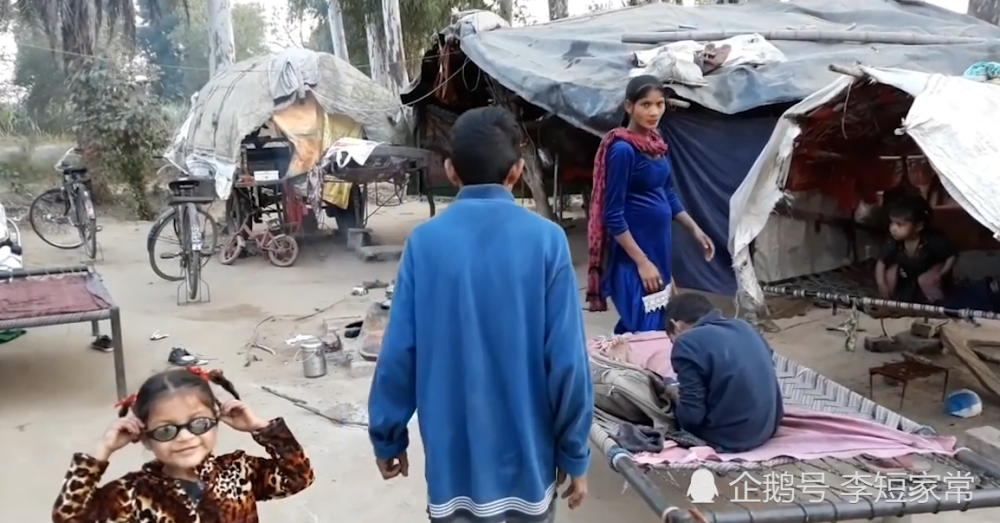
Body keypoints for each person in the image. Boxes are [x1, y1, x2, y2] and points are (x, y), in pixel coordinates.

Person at [368, 106, 593, 523]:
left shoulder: (425, 243)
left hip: (454, 468)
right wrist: (574, 451)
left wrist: (388, 436)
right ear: (517, 172)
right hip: (528, 460)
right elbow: (567, 361)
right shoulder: (547, 242)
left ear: (451, 172)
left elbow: (399, 352)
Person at [51, 367, 315, 523]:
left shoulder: (239, 470)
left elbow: (298, 477)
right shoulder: (132, 493)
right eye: (166, 430)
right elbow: (69, 517)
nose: (185, 437)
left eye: (198, 423)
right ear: (144, 436)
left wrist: (262, 428)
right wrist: (103, 450)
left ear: (216, 419)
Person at [586, 74, 715, 334]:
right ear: (629, 107)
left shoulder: (655, 144)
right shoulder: (622, 150)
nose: (654, 111)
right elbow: (613, 215)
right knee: (648, 330)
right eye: (646, 104)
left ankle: (622, 364)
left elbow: (666, 193)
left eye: (660, 104)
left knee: (651, 326)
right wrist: (642, 262)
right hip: (634, 257)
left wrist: (695, 230)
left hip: (659, 251)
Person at [664, 293, 783, 453]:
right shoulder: (744, 326)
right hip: (767, 428)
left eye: (672, 339)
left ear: (676, 326)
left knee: (663, 408)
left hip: (731, 438)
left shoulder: (687, 342)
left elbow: (691, 417)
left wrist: (674, 394)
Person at [876, 195, 957, 304]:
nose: (893, 228)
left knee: (925, 280)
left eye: (899, 224)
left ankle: (938, 305)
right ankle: (892, 304)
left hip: (931, 273)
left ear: (918, 226)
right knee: (890, 274)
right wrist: (882, 284)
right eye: (892, 223)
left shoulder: (933, 240)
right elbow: (881, 262)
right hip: (908, 275)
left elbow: (951, 255)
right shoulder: (894, 241)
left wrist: (941, 274)